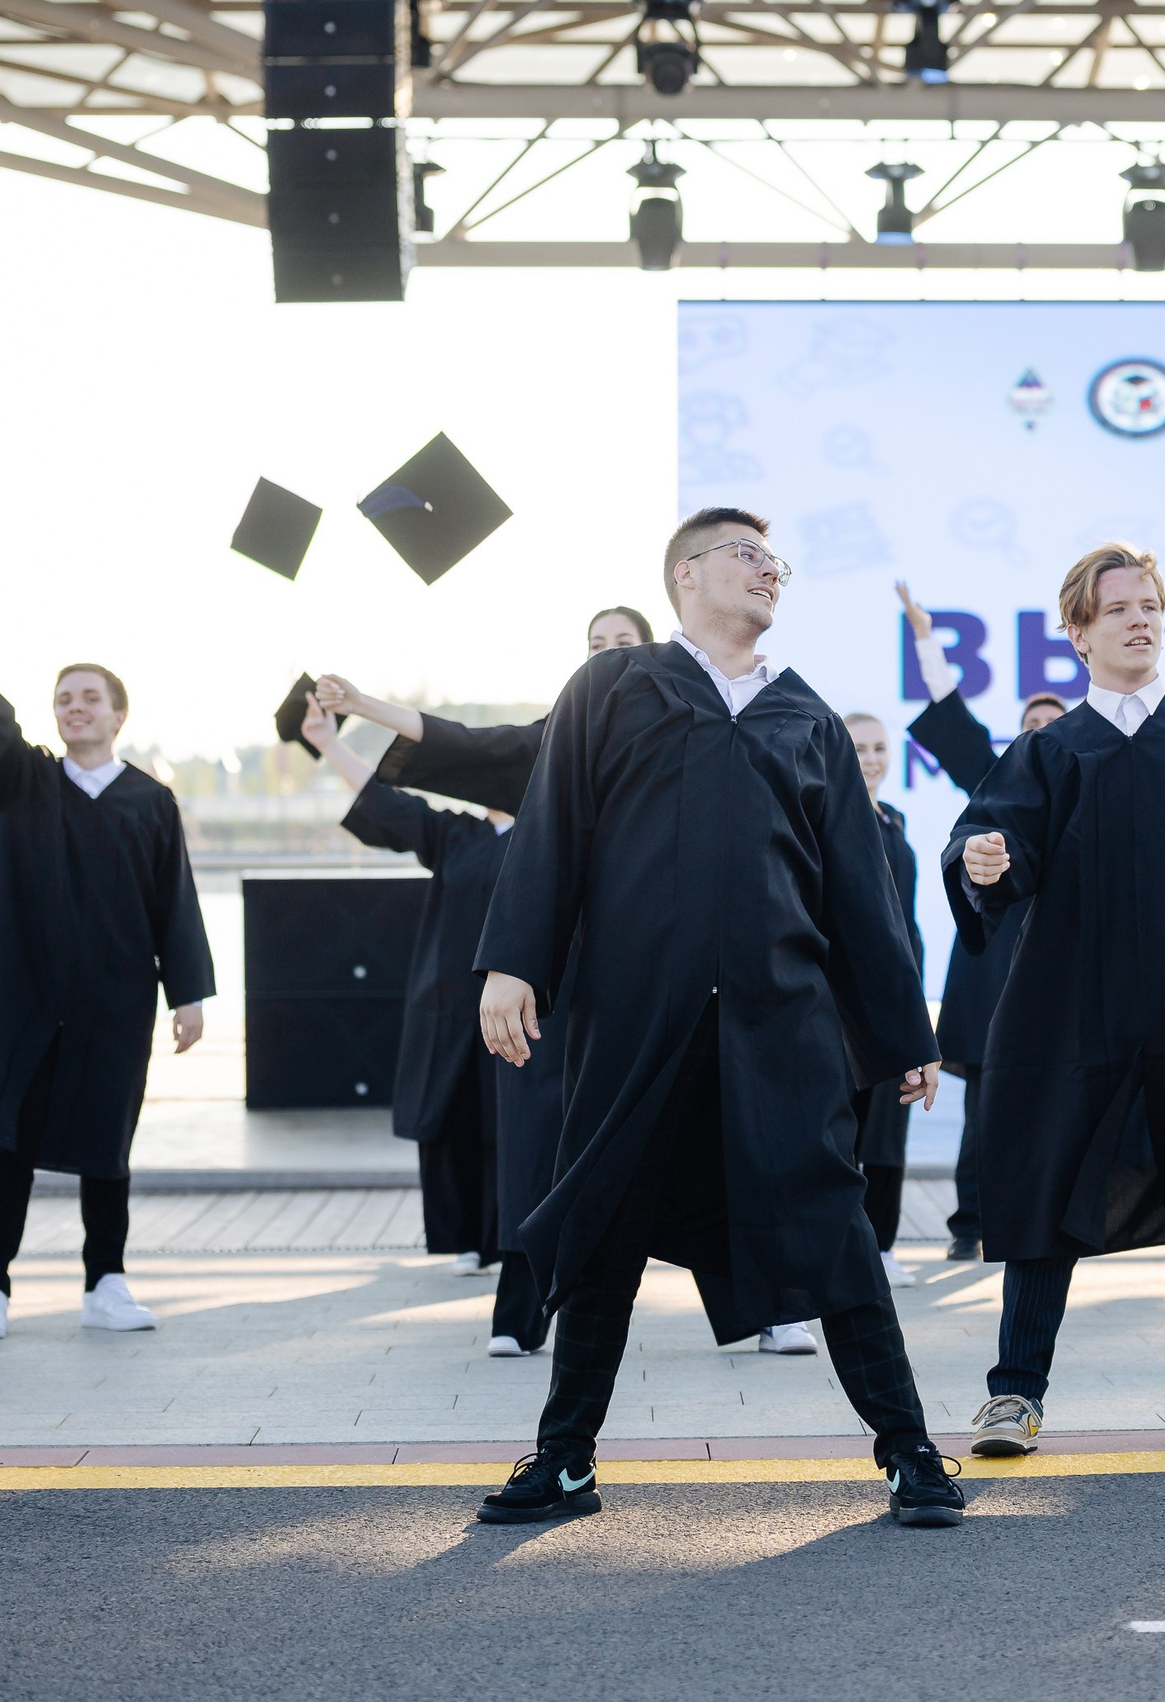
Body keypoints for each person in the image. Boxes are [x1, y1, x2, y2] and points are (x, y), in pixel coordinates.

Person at [469, 505, 966, 1529]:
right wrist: (511, 965)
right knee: (604, 1227)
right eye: (746, 554)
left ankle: (910, 1450)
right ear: (685, 576)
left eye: (775, 560)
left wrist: (902, 1037)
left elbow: (857, 895)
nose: (767, 570)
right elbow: (551, 829)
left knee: (833, 1229)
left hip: (777, 1030)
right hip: (636, 1019)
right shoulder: (616, 686)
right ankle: (564, 1460)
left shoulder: (807, 718)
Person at [319, 603, 824, 1356]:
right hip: (570, 989)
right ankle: (522, 1315)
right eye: (595, 646)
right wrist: (360, 706)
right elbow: (467, 744)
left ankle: (770, 1306)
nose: (609, 655)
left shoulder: (712, 720)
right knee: (542, 1145)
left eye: (623, 643)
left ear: (654, 648)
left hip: (675, 979)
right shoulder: (569, 733)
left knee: (716, 1134)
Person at [949, 545, 1165, 1459]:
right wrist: (984, 858)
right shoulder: (1051, 750)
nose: (1141, 620)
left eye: (1152, 604)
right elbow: (992, 837)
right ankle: (1014, 1394)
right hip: (1074, 1016)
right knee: (1044, 1199)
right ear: (1079, 633)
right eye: (1119, 610)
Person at [0, 551, 215, 1343]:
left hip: (115, 999)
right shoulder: (24, 781)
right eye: (64, 699)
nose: (75, 707)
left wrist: (187, 994)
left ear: (119, 714)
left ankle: (105, 1282)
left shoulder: (150, 802)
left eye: (90, 697)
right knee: (9, 1143)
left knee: (106, 1145)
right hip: (26, 998)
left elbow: (174, 903)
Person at [297, 691, 549, 1355]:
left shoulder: (556, 840)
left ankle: (513, 1246)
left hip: (533, 1013)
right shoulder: (458, 834)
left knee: (517, 1134)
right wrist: (329, 743)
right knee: (455, 1120)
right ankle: (470, 1237)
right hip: (454, 1008)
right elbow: (387, 806)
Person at [899, 580, 1070, 1262]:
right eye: (1031, 722)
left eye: (1053, 721)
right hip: (994, 961)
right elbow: (950, 711)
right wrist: (923, 637)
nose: (1041, 729)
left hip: (1061, 966)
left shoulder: (1097, 781)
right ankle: (972, 1222)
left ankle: (1045, 1218)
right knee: (987, 1101)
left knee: (1059, 1103)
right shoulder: (998, 776)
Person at [844, 710, 923, 1289]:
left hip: (897, 1000)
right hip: (843, 1008)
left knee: (890, 1129)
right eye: (859, 748)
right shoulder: (826, 819)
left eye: (878, 749)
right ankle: (841, 1246)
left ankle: (885, 1244)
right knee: (842, 1133)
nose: (870, 760)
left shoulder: (894, 823)